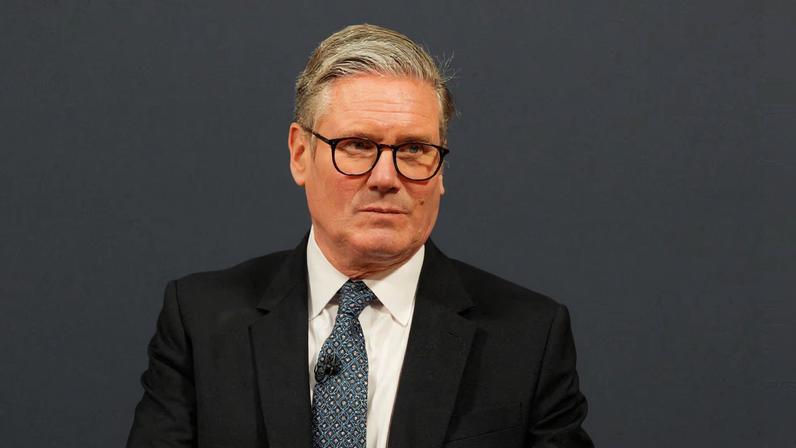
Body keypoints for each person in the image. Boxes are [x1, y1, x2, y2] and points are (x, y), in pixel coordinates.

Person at [127, 24, 594, 448]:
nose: (385, 177)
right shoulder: (201, 320)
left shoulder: (528, 336)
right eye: (357, 145)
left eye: (414, 149)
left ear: (440, 170)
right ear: (300, 154)